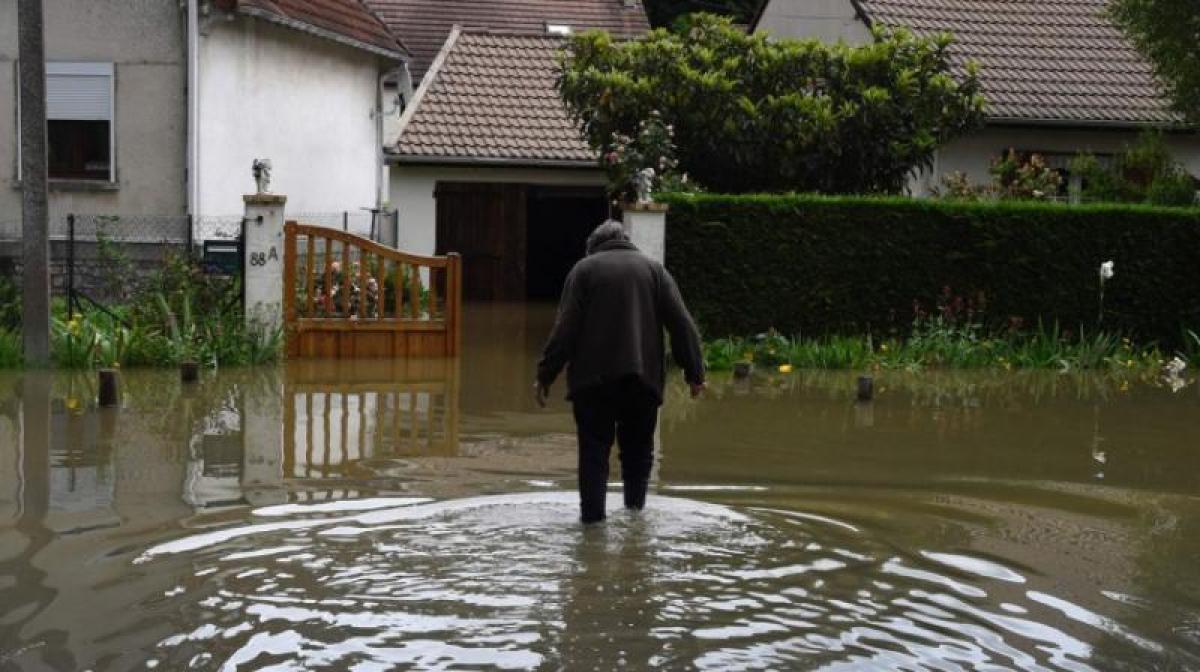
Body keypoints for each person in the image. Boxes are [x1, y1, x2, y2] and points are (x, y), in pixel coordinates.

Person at [536, 220, 706, 524]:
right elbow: (681, 323)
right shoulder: (655, 270)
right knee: (638, 455)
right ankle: (635, 519)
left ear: (593, 247)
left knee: (593, 455)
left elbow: (565, 330)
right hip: (642, 381)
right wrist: (695, 372)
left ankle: (592, 527)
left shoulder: (584, 270)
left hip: (592, 384)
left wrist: (545, 375)